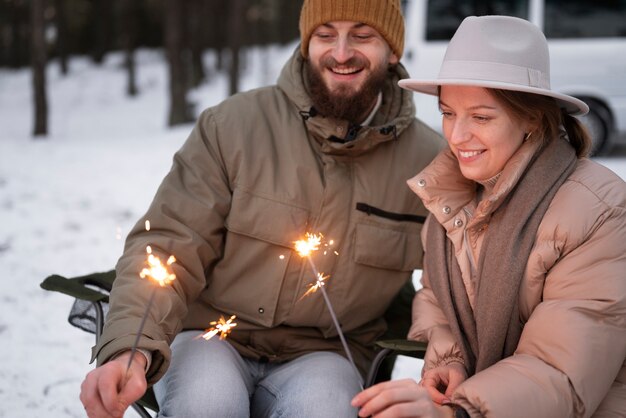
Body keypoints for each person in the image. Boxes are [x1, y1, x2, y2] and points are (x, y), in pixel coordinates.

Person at [79, 1, 444, 417]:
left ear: (393, 50)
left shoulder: (430, 165)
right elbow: (168, 245)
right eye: (325, 35)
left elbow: (452, 287)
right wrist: (132, 347)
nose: (341, 53)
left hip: (326, 356)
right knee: (207, 404)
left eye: (362, 35)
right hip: (209, 338)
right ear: (307, 44)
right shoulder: (232, 127)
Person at [352, 15, 626, 418]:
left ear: (532, 118)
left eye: (480, 117)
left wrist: (457, 412)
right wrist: (450, 358)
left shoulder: (596, 210)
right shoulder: (450, 200)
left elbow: (560, 369)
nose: (457, 135)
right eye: (448, 113)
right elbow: (437, 298)